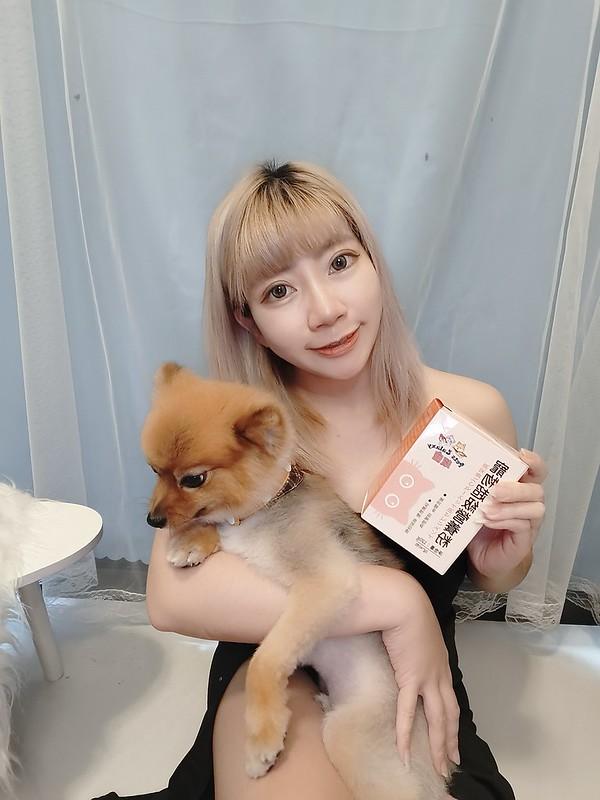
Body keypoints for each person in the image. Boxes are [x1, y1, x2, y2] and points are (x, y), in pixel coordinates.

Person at [94, 160, 546, 800]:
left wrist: (503, 559)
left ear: (374, 262)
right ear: (246, 318)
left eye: (340, 262)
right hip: (274, 670)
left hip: (402, 679)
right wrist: (399, 598)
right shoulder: (240, 429)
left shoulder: (471, 413)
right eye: (279, 291)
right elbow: (172, 600)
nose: (327, 311)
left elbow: (495, 579)